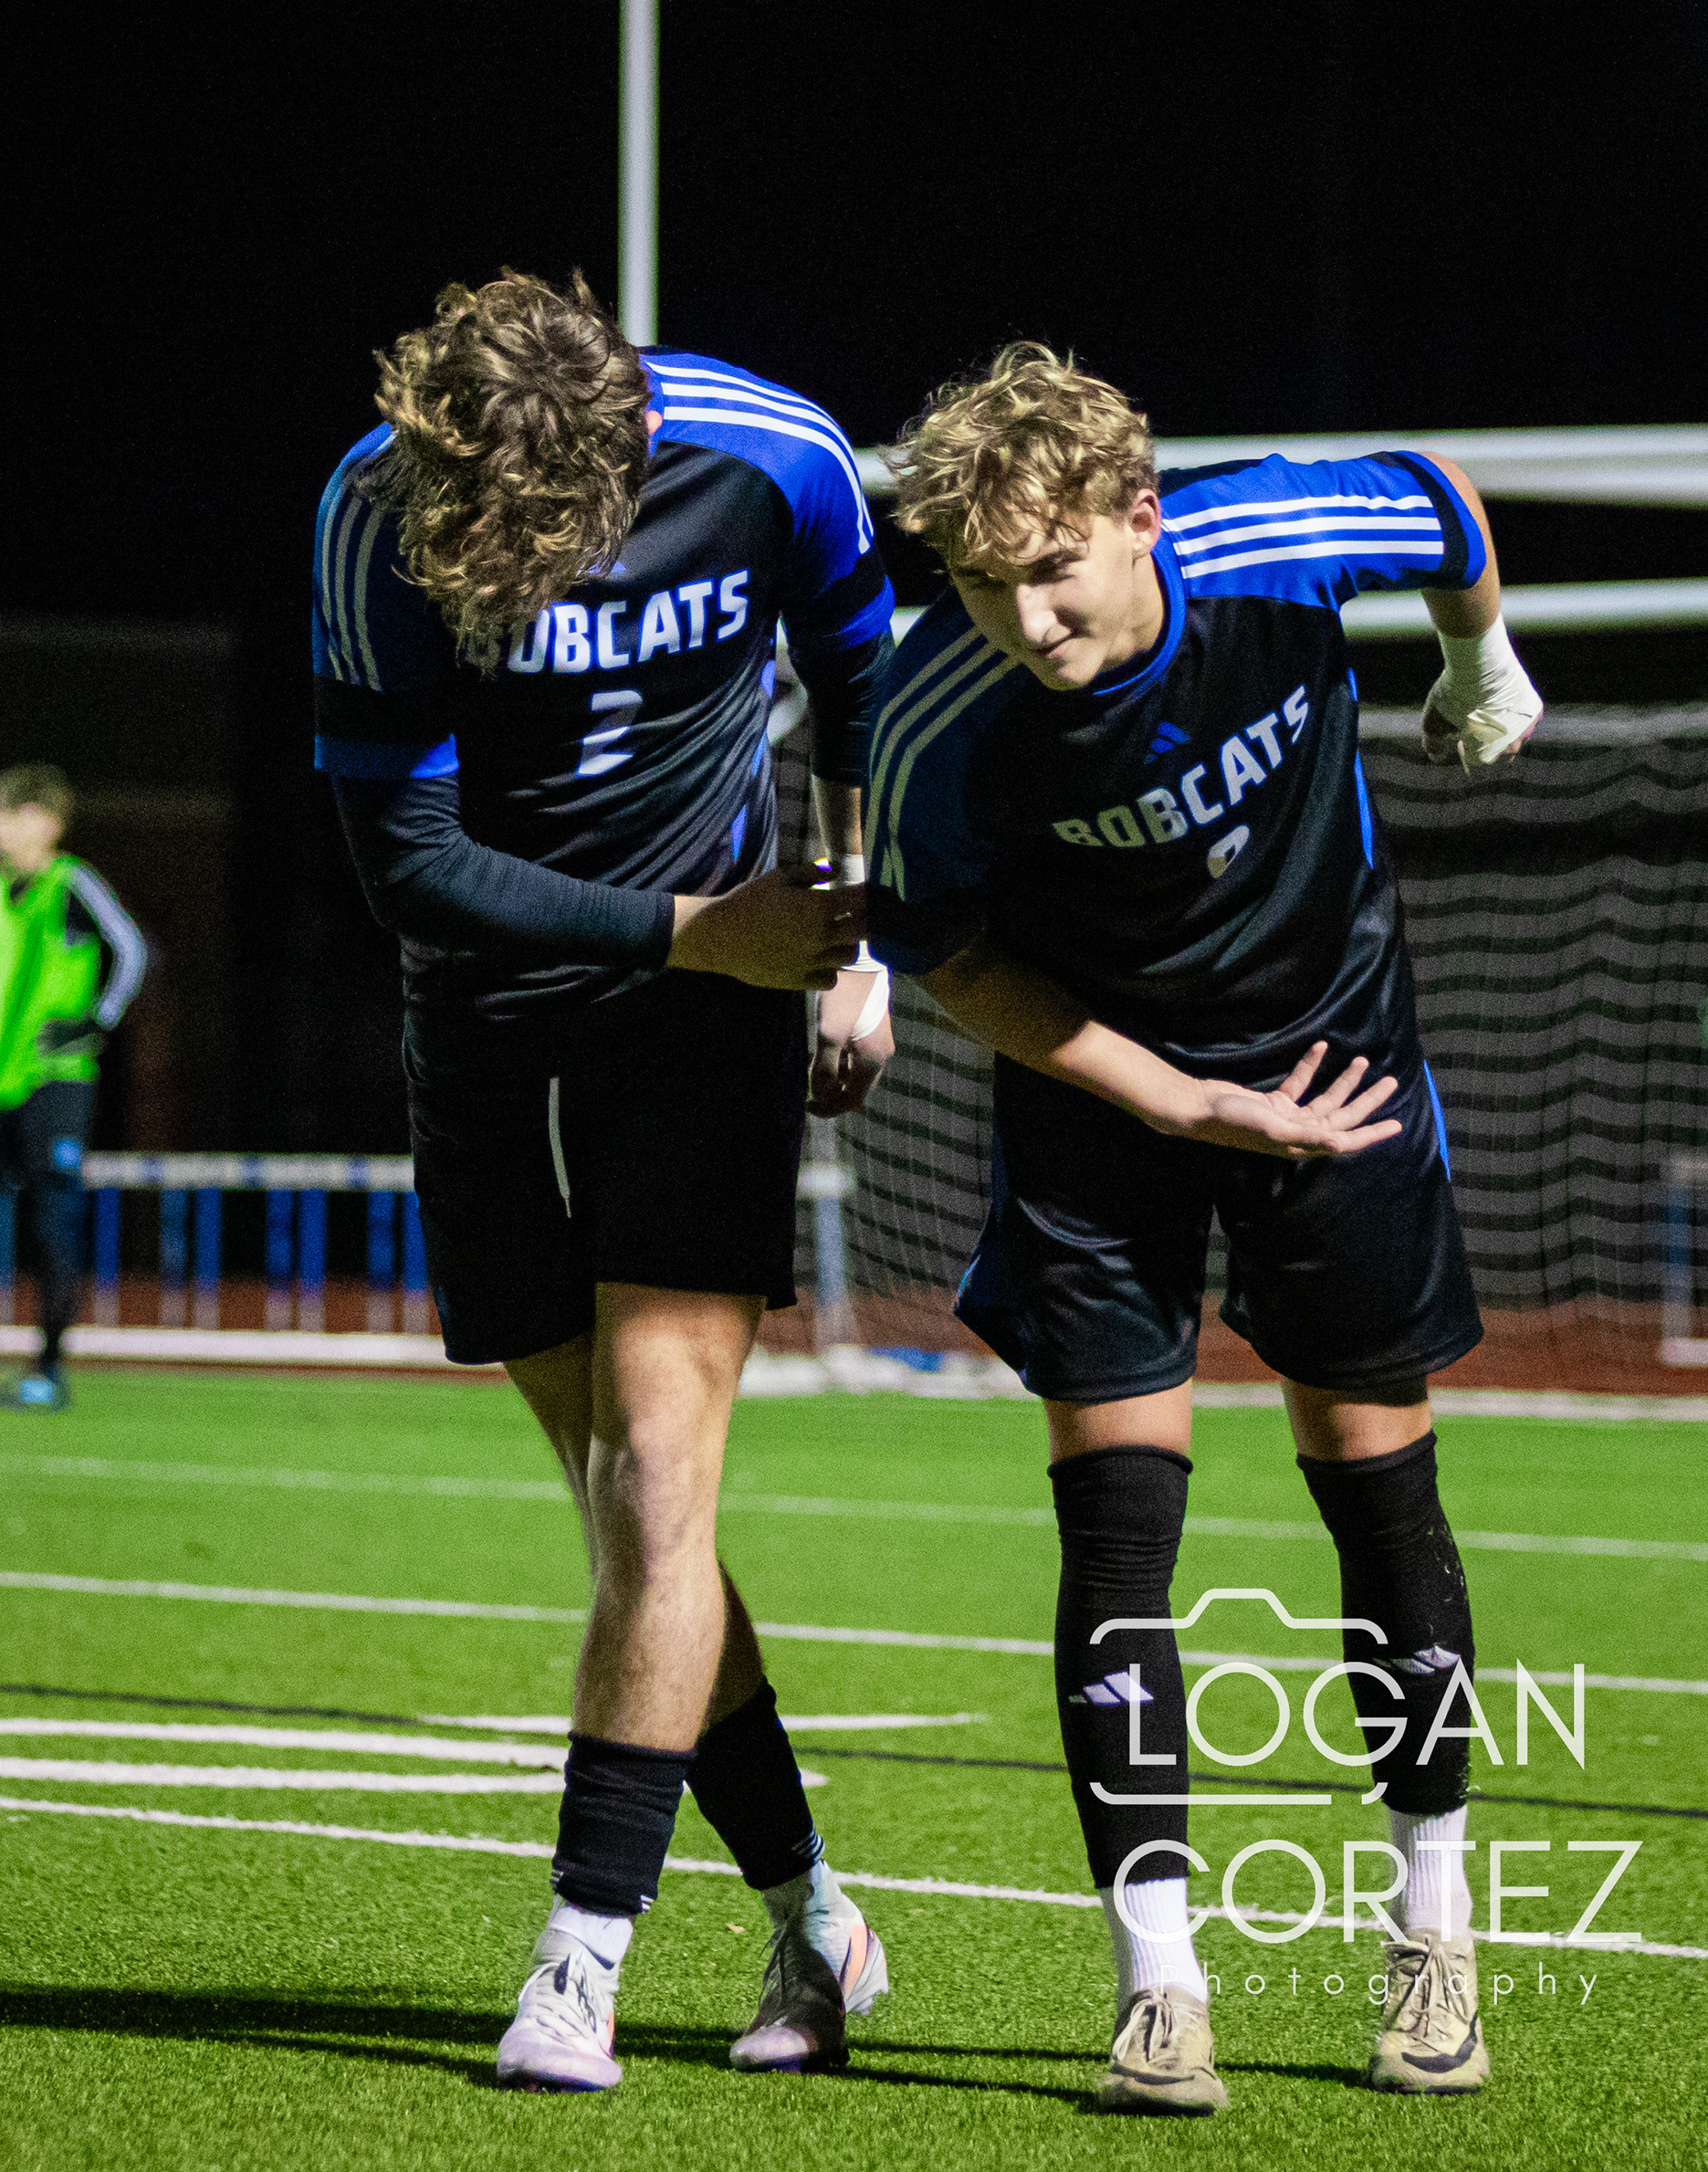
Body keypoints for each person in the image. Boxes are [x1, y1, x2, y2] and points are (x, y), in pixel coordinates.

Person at [865, 343, 1543, 2115]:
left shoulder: (1273, 539)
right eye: (983, 584)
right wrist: (1171, 1100)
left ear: (1142, 516)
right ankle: (1158, 1985)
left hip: (1337, 1068)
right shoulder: (935, 711)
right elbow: (949, 956)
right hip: (1105, 1108)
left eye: (1052, 568)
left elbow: (1442, 501)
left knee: (1380, 1492)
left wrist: (1480, 659)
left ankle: (1434, 1930)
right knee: (1116, 1535)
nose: (1025, 618)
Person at [314, 269, 898, 2093]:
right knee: (630, 1518)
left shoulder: (776, 455)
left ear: (619, 464)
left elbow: (868, 680)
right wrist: (700, 931)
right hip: (492, 1012)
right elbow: (408, 864)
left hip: (704, 1017)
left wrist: (856, 937)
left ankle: (579, 1964)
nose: (486, 565)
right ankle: (815, 1915)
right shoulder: (376, 509)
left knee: (658, 1476)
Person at [1, 764, 146, 1411]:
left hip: (55, 1084)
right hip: (3, 1083)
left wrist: (95, 1022)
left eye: (9, 813)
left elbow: (132, 951)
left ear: (45, 822)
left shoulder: (70, 884)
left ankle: (49, 1371)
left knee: (51, 1224)